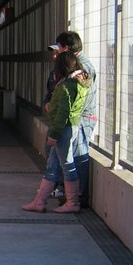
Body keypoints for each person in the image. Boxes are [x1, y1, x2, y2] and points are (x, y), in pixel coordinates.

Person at [22, 50, 92, 213]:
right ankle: (40, 201)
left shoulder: (66, 86)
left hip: (63, 130)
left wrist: (54, 135)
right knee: (52, 166)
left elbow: (63, 112)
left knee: (66, 165)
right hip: (72, 126)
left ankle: (72, 202)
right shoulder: (80, 83)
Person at [45, 31, 97, 206]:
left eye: (58, 48)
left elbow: (72, 102)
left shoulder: (82, 68)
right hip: (73, 120)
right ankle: (66, 195)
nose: (55, 53)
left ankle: (77, 198)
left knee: (76, 158)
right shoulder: (74, 65)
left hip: (78, 120)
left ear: (66, 48)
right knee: (63, 159)